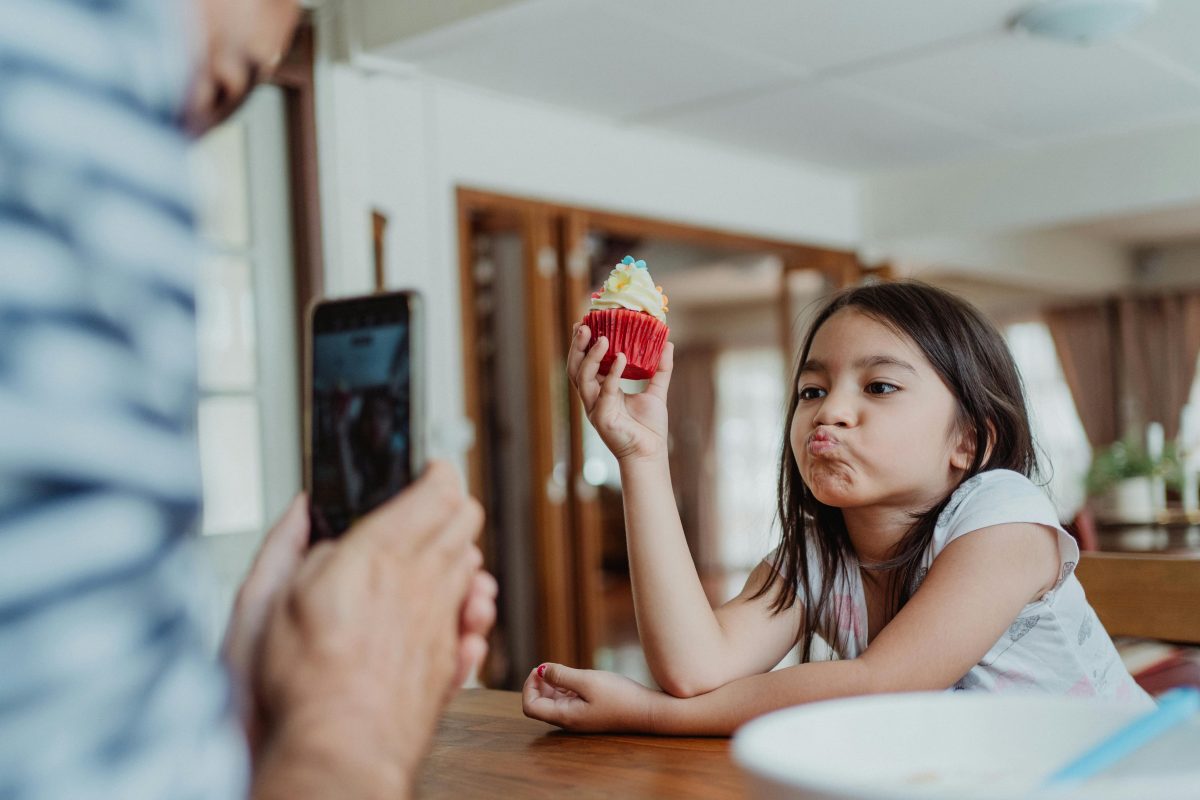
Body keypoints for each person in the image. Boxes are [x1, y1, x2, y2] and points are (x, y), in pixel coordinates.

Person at [0, 0, 495, 797]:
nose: (187, 129)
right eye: (219, 91)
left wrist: (242, 696)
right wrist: (352, 718)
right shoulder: (68, 66)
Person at [524, 280, 1153, 735]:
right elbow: (697, 667)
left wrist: (653, 714)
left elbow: (883, 684)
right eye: (812, 389)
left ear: (971, 440)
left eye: (878, 386)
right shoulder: (815, 558)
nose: (829, 411)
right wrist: (642, 456)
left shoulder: (1005, 520)